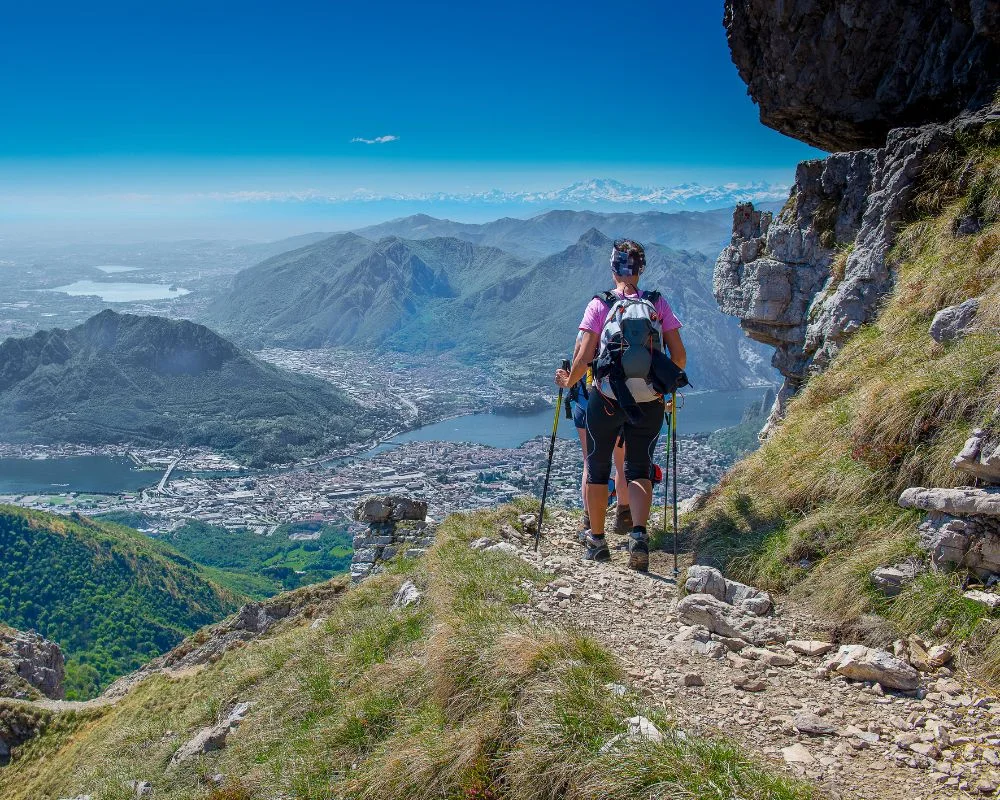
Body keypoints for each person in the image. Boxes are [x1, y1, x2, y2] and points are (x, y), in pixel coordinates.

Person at [555, 239, 686, 570]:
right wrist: (660, 388)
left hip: (607, 400)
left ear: (613, 267)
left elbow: (584, 357)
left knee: (599, 467)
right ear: (641, 269)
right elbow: (679, 356)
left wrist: (567, 382)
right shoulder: (658, 304)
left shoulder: (600, 305)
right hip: (650, 401)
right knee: (640, 466)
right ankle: (638, 536)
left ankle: (597, 542)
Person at [567, 333, 629, 543]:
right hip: (618, 404)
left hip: (586, 403)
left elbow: (579, 360)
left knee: (590, 464)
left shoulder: (589, 326)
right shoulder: (625, 326)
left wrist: (567, 382)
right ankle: (623, 516)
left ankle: (589, 521)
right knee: (621, 463)